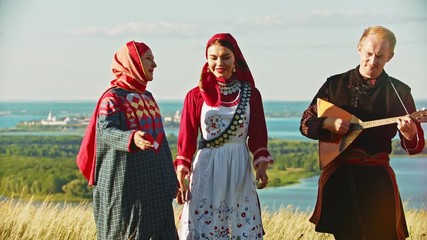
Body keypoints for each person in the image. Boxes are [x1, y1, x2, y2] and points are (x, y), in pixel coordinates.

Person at [300, 26, 425, 240]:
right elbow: (305, 124)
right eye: (369, 53)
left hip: (377, 179)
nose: (373, 61)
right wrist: (328, 123)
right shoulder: (334, 84)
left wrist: (410, 133)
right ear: (359, 48)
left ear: (390, 57)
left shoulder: (400, 91)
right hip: (340, 177)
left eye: (380, 56)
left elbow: (416, 146)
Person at [174, 33, 273, 239]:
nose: (219, 63)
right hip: (206, 168)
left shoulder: (251, 94)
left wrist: (261, 165)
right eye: (213, 57)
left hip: (238, 167)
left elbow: (257, 134)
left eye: (225, 57)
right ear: (207, 59)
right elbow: (187, 136)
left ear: (235, 59)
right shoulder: (195, 95)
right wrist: (182, 173)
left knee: (239, 224)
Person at [76, 41, 178, 239]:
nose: (155, 65)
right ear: (133, 63)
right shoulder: (112, 98)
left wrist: (171, 179)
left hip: (156, 191)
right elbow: (106, 130)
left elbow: (161, 142)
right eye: (149, 59)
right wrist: (131, 138)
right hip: (124, 191)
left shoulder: (148, 97)